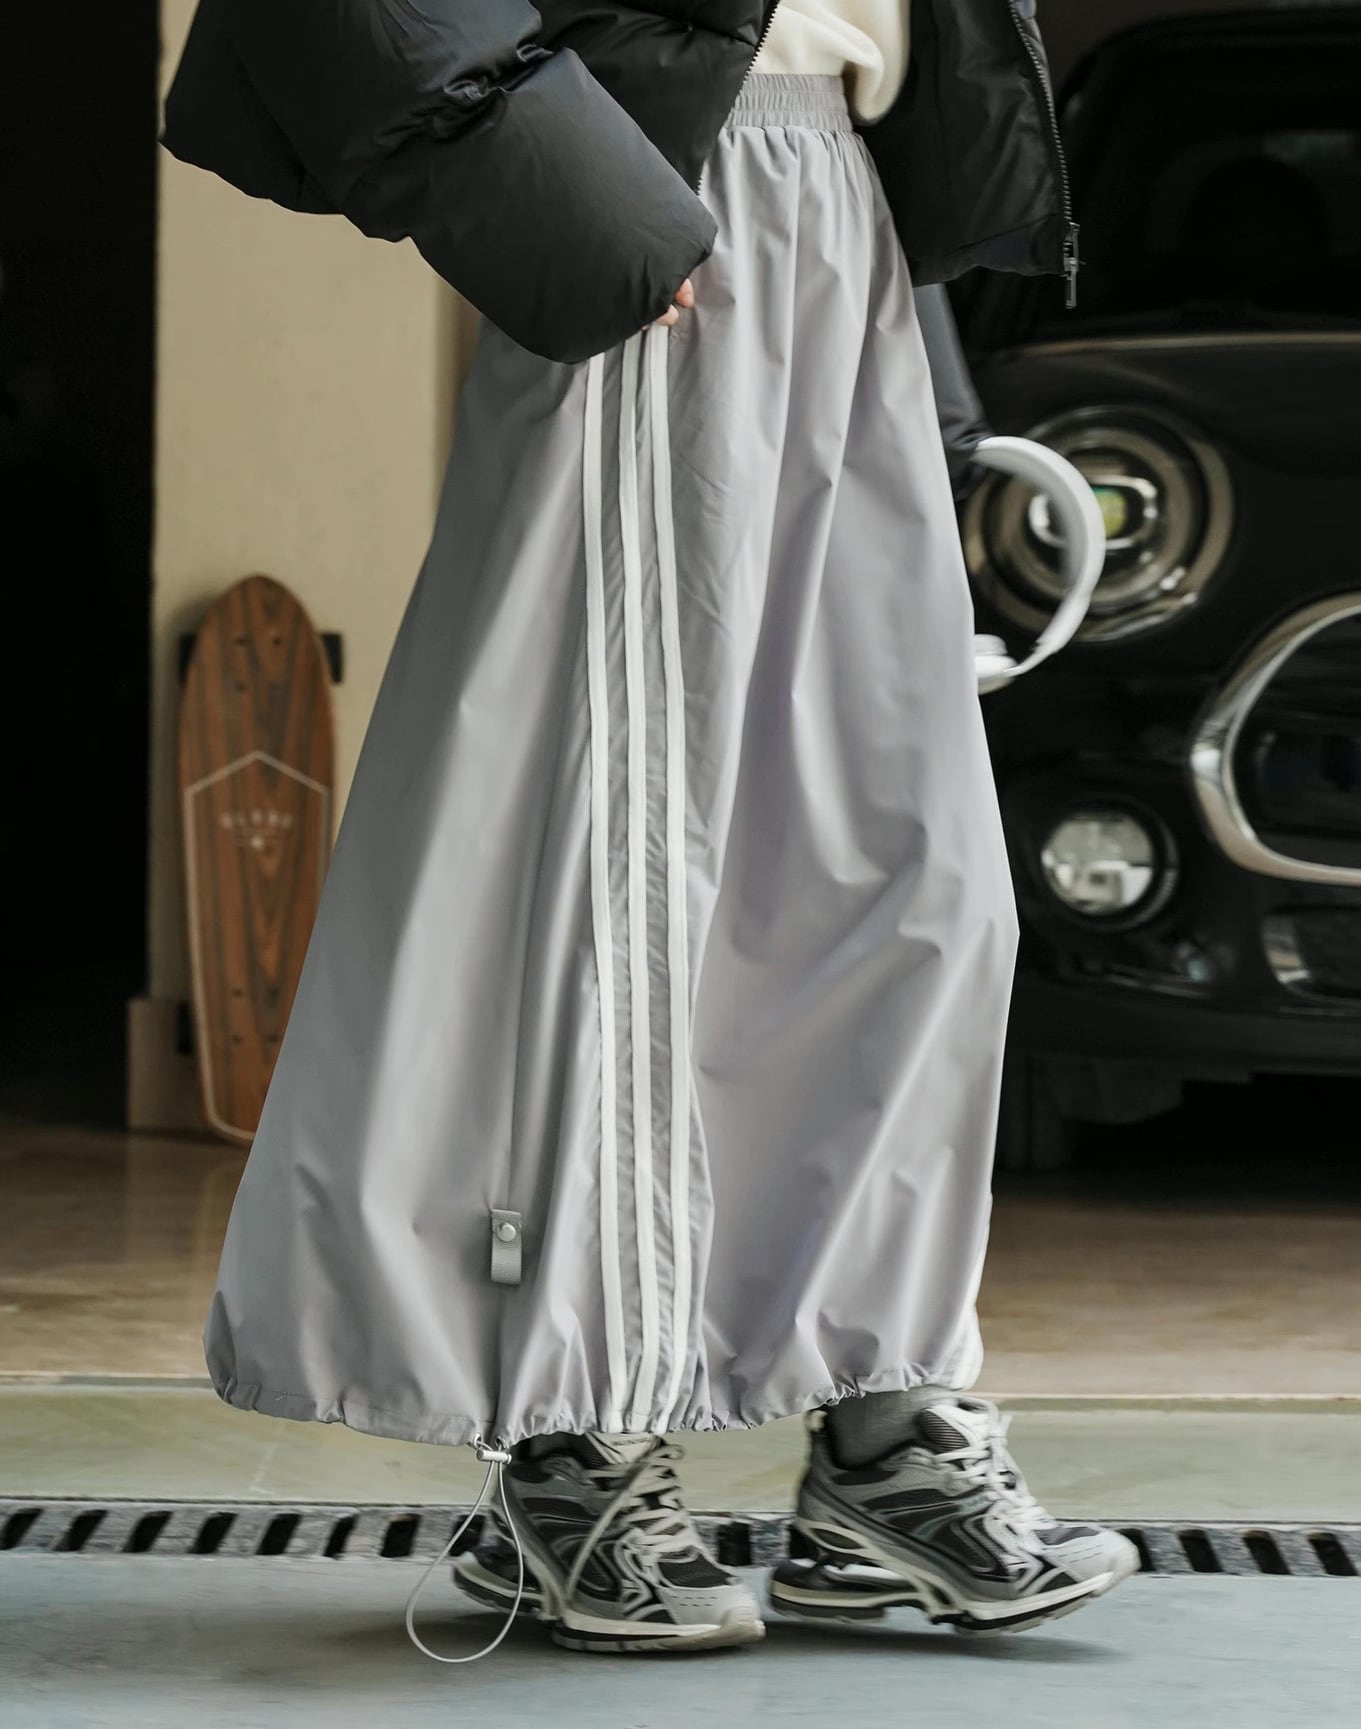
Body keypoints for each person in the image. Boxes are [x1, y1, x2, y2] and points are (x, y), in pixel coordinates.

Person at [158, 0, 1136, 1657]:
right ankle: (575, 1445)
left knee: (907, 867)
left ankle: (883, 1425)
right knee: (611, 855)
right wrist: (563, 196)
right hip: (656, 184)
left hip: (847, 204)